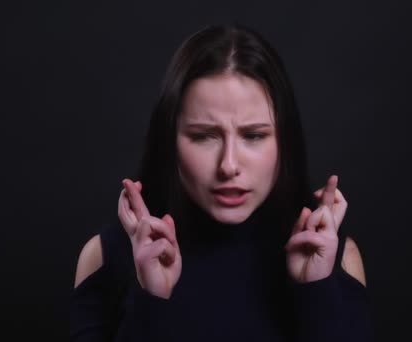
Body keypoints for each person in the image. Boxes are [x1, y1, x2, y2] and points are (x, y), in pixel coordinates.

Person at [71, 24, 372, 342]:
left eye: (254, 135)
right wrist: (151, 301)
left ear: (285, 140)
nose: (229, 165)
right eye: (203, 136)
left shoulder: (335, 256)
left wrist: (317, 291)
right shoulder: (106, 255)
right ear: (170, 140)